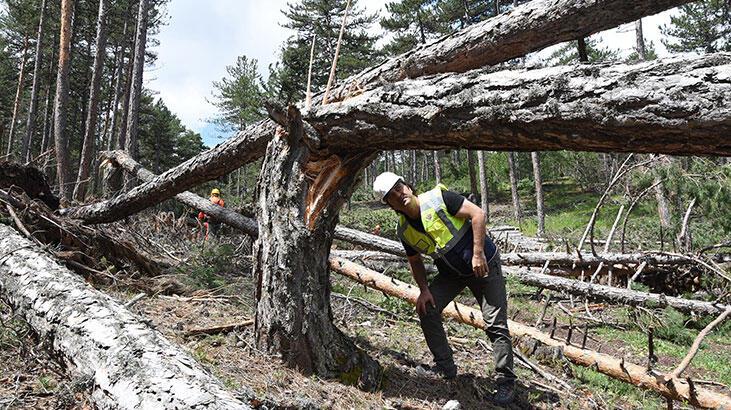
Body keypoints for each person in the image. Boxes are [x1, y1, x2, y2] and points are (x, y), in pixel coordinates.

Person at [373, 172, 516, 405]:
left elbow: (478, 214)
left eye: (400, 188)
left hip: (484, 266)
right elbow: (415, 261)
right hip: (452, 274)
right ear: (389, 204)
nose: (399, 195)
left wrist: (478, 253)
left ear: (408, 185)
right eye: (392, 195)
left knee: (494, 324)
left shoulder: (438, 198)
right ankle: (445, 367)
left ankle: (506, 381)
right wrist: (424, 289)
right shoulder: (404, 230)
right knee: (427, 308)